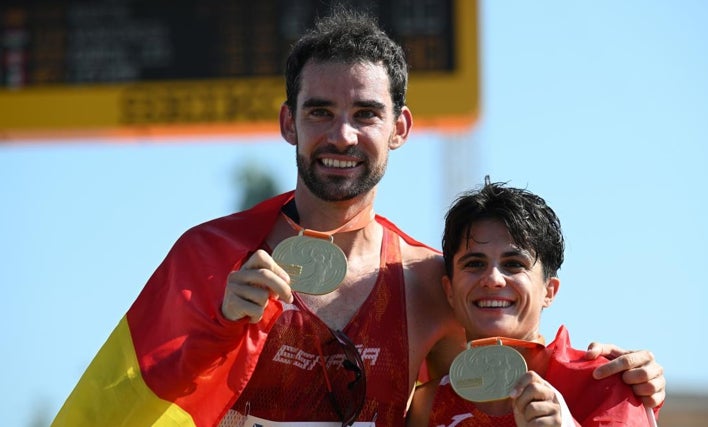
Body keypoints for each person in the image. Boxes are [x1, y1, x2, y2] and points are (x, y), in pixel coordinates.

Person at [53, 8, 664, 427]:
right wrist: (217, 326)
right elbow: (122, 404)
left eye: (365, 114)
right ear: (288, 122)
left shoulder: (432, 283)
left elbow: (507, 377)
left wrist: (618, 379)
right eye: (319, 112)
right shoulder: (207, 258)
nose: (341, 135)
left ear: (399, 128)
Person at [407, 179, 659, 426]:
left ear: (549, 291)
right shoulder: (424, 406)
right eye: (475, 264)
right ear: (449, 290)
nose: (493, 279)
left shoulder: (605, 384)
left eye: (513, 264)